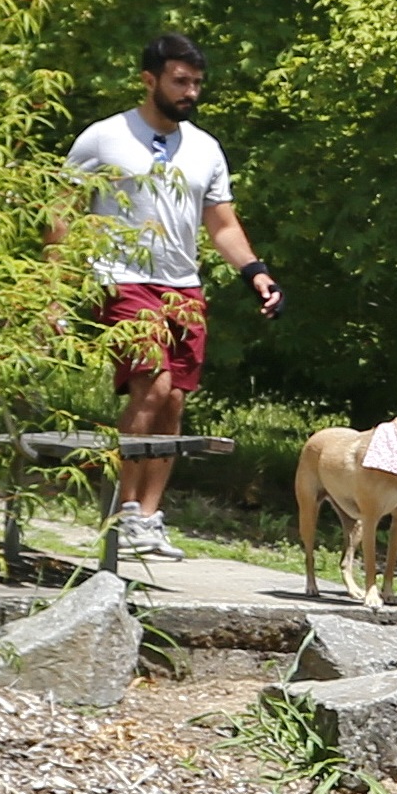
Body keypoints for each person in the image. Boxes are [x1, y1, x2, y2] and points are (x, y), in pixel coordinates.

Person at [51, 32, 277, 560]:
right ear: (149, 80)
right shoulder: (104, 138)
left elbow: (220, 223)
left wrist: (255, 272)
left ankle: (148, 518)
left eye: (197, 83)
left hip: (183, 287)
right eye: (180, 81)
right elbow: (62, 210)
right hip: (121, 277)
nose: (190, 92)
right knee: (151, 384)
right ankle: (122, 511)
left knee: (174, 400)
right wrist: (57, 290)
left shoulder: (204, 148)